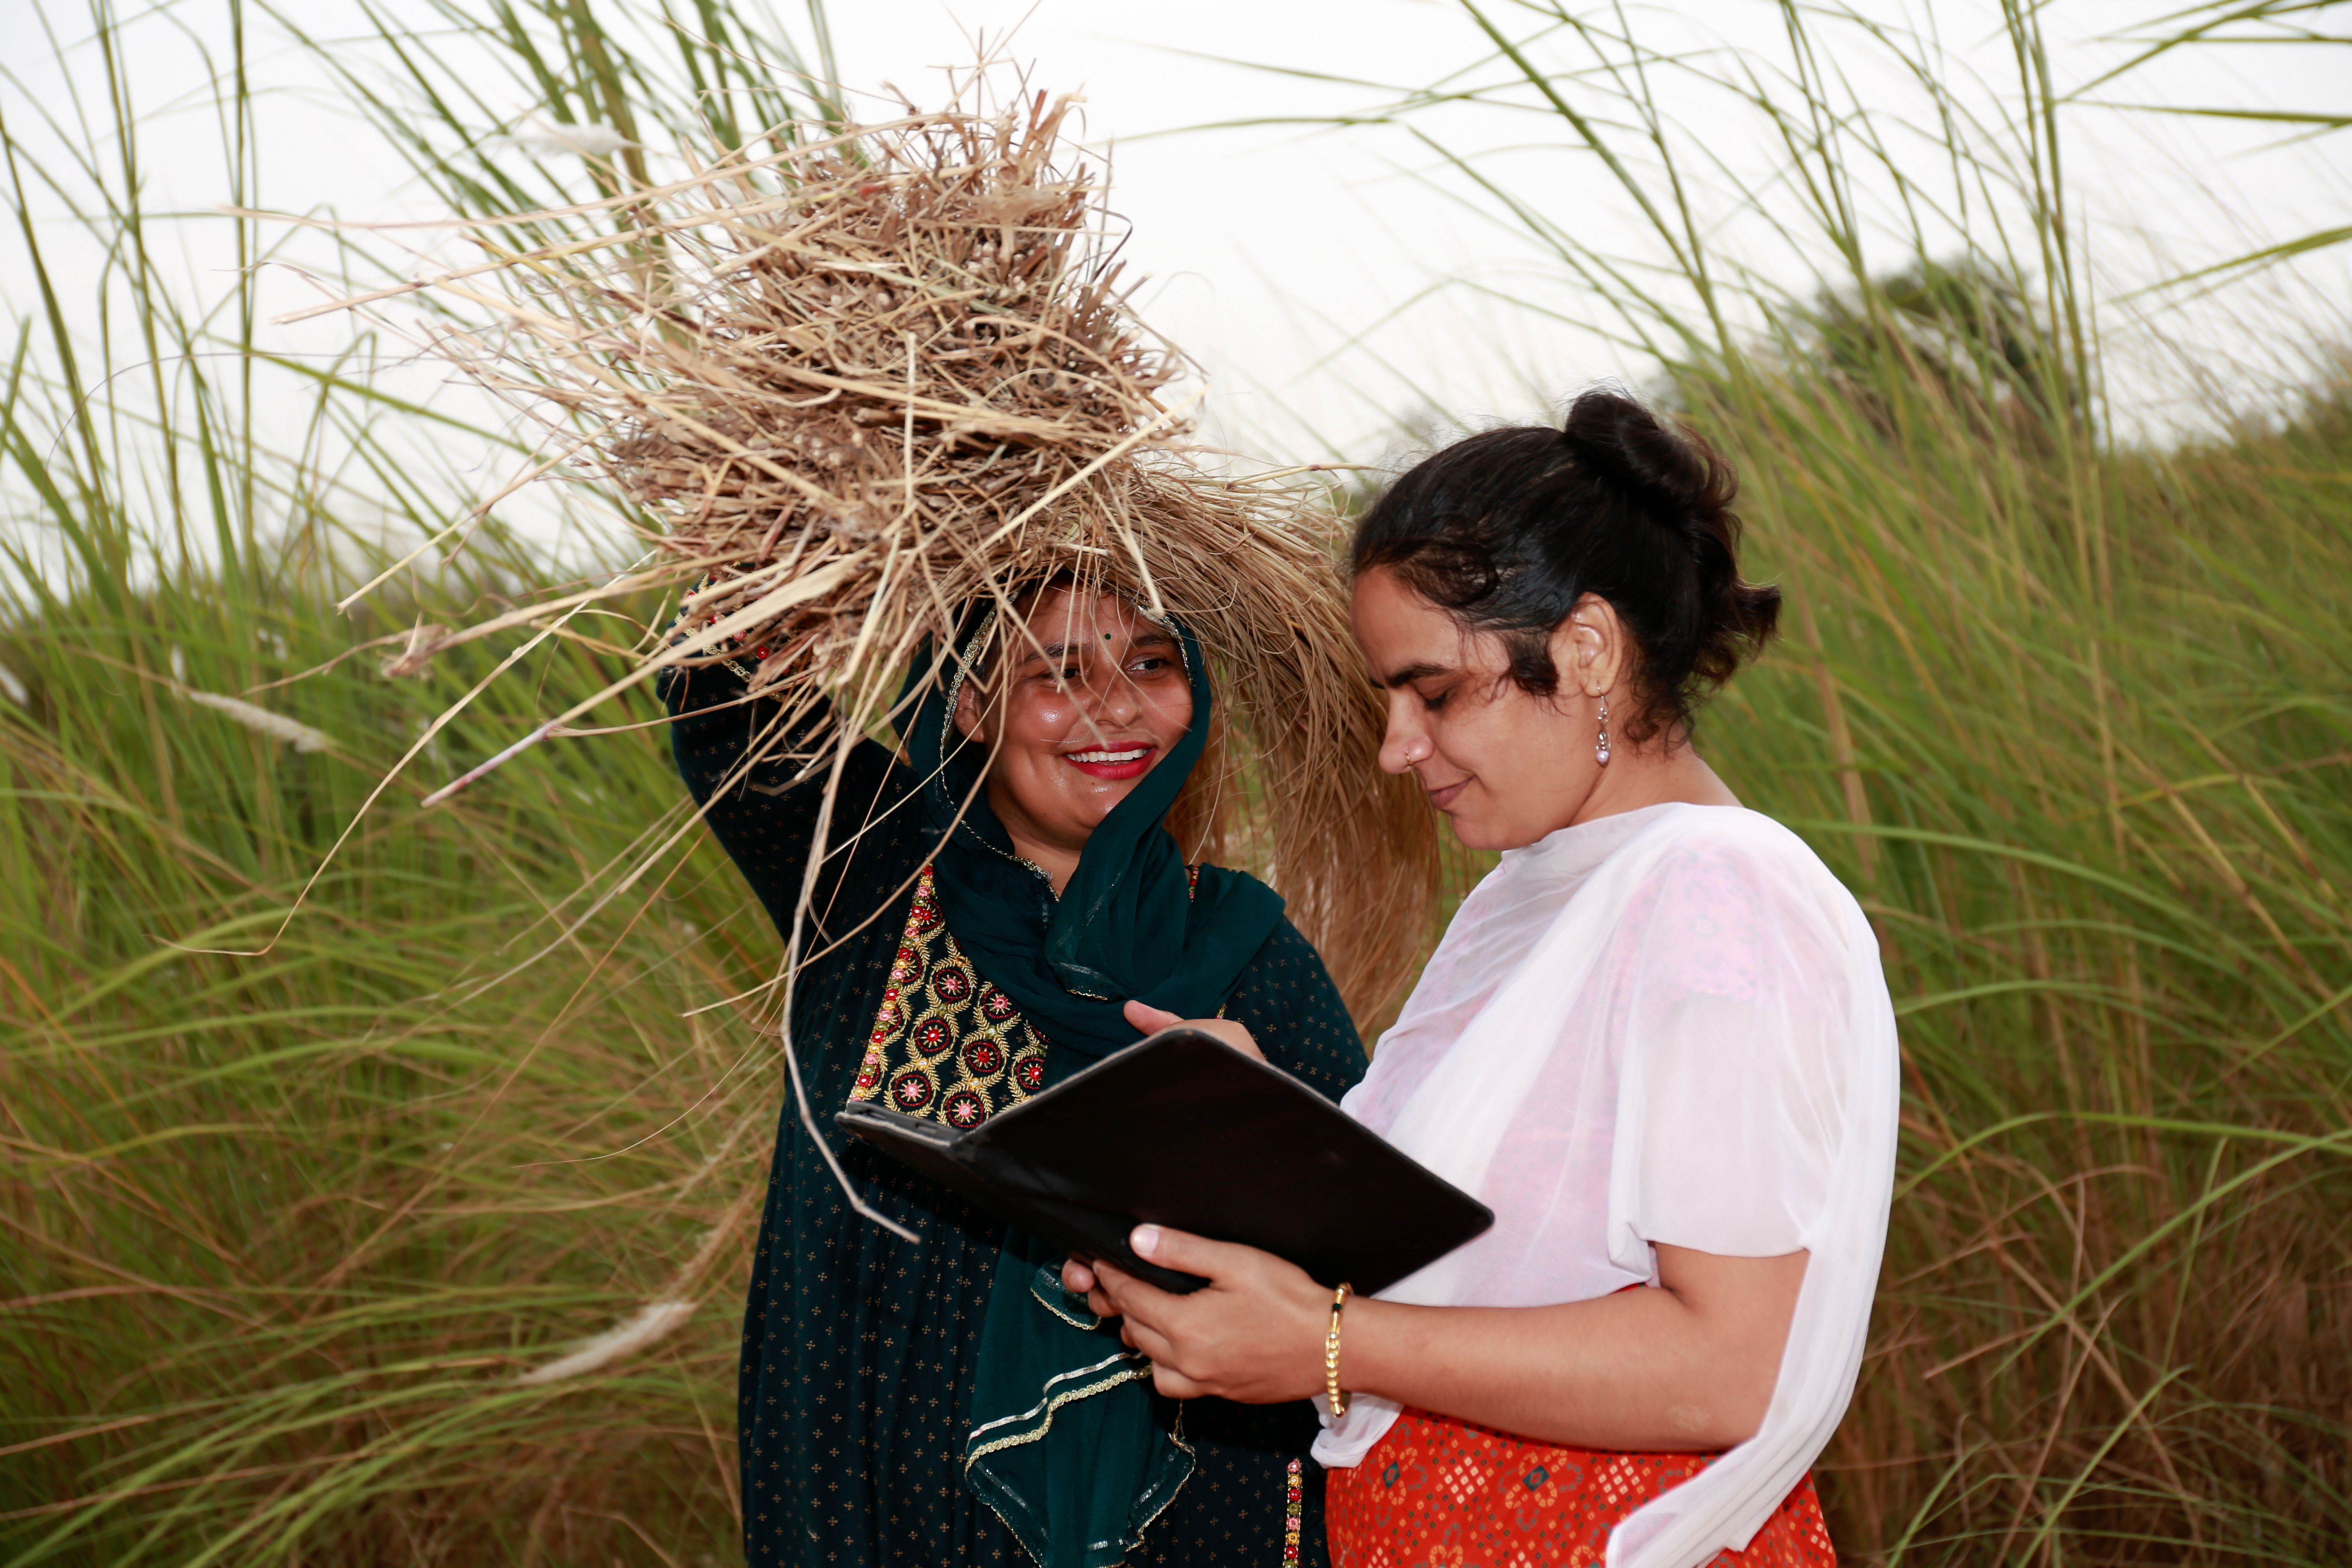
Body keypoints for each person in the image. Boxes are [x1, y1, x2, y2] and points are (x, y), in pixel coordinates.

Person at [1062, 389, 1900, 1568]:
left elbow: (1728, 1369)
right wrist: (1249, 1145)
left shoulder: (1718, 895)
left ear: (1588, 649)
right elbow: (1489, 1246)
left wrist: (1332, 1348)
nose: (1399, 746)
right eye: (1389, 700)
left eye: (1438, 692)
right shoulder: (1531, 888)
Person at [661, 579, 1370, 1568]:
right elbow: (720, 685)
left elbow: (1378, 1250)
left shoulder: (1247, 947)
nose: (1116, 707)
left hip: (1203, 1506)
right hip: (887, 1494)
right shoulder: (868, 878)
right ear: (967, 699)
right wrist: (818, 541)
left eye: (1152, 665)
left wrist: (1264, 1122)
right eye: (1058, 672)